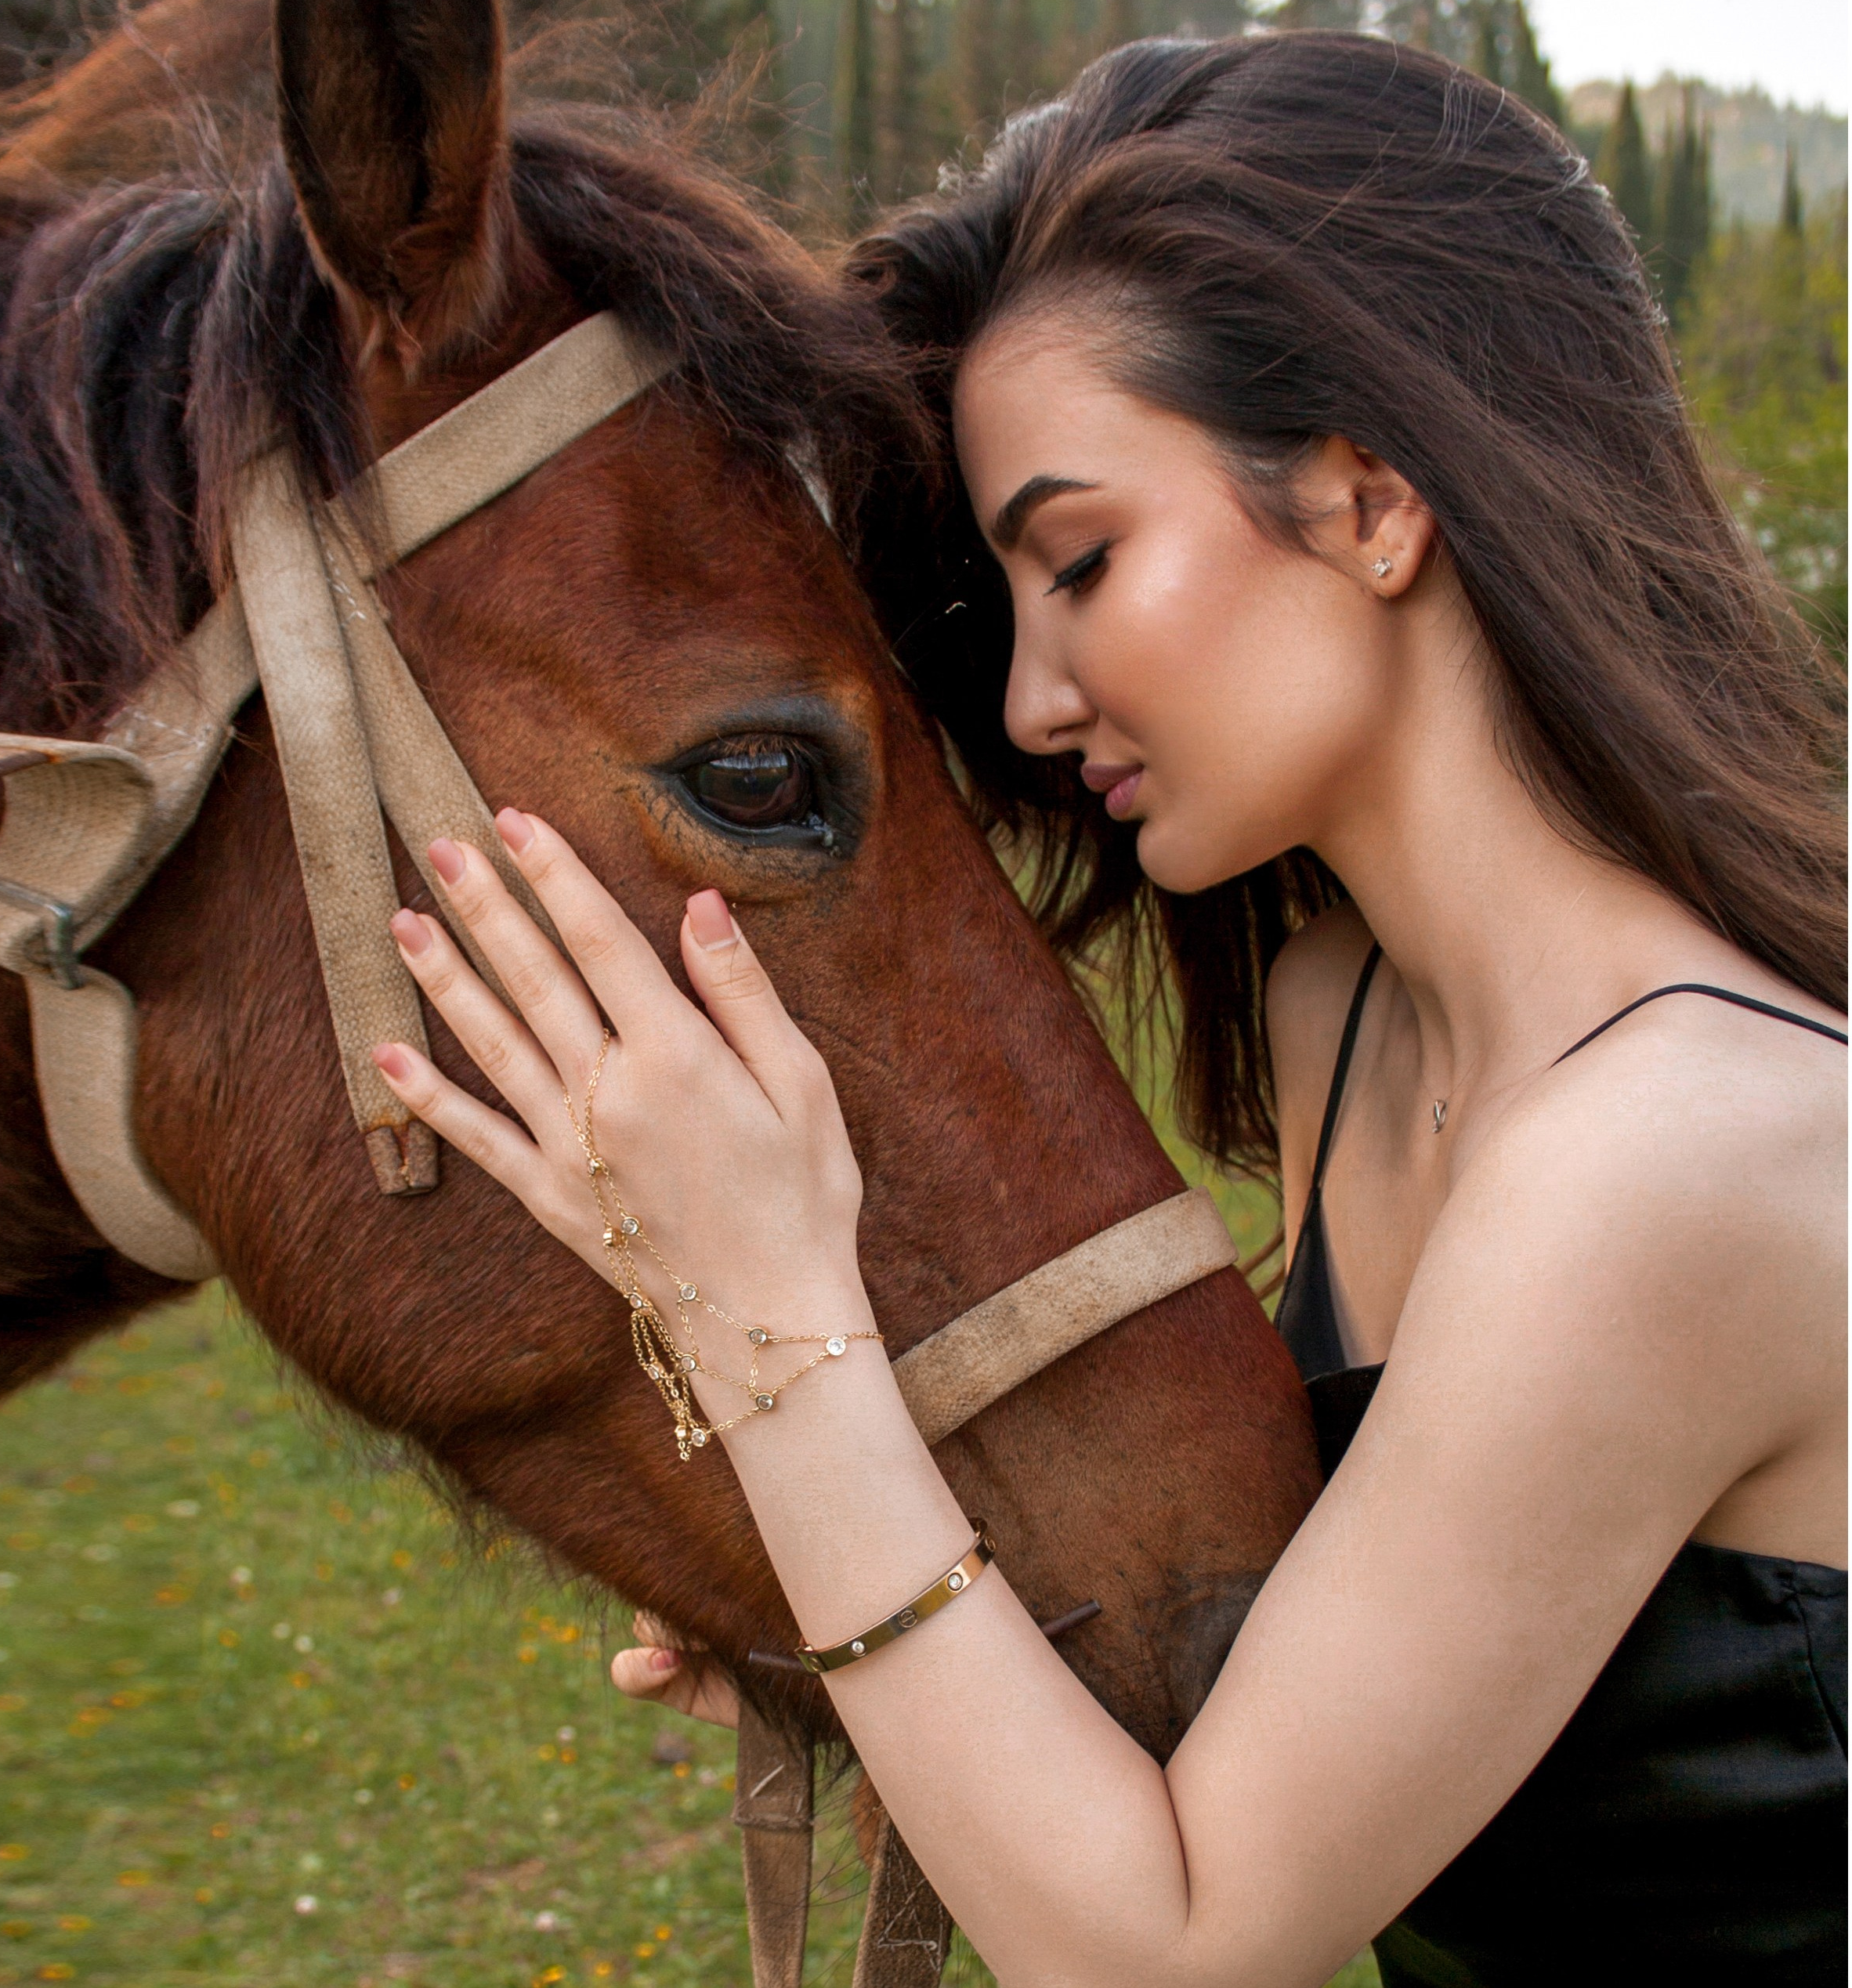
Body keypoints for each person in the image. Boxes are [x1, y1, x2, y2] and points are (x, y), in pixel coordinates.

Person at [366, 32, 1847, 1987]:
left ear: (1369, 501)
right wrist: (850, 1604)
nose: (1032, 702)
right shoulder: (1342, 1019)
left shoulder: (1666, 1161)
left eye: (1079, 561)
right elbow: (1300, 1719)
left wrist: (758, 1322)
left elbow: (1173, 1944)